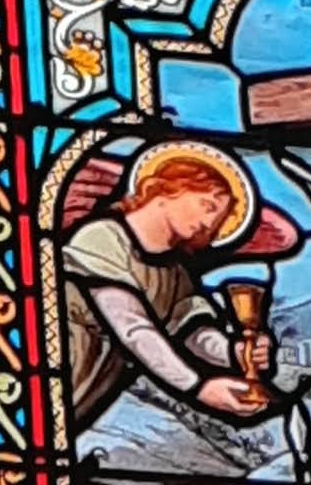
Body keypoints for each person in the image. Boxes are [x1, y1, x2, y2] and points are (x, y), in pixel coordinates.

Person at [59, 141, 297, 439]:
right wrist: (198, 387)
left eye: (220, 218)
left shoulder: (174, 273)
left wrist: (236, 353)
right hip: (52, 370)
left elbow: (191, 333)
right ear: (163, 189)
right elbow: (134, 329)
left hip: (85, 395)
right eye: (208, 205)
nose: (210, 223)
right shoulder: (102, 238)